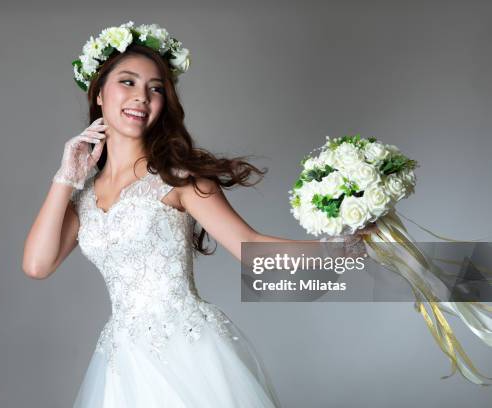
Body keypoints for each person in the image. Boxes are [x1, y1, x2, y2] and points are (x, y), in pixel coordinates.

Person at [22, 22, 374, 408]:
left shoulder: (178, 180)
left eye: (155, 88)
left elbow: (251, 247)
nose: (142, 97)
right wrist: (66, 177)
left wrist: (342, 250)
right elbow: (38, 265)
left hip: (188, 350)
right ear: (99, 95)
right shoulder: (84, 196)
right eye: (127, 82)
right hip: (123, 364)